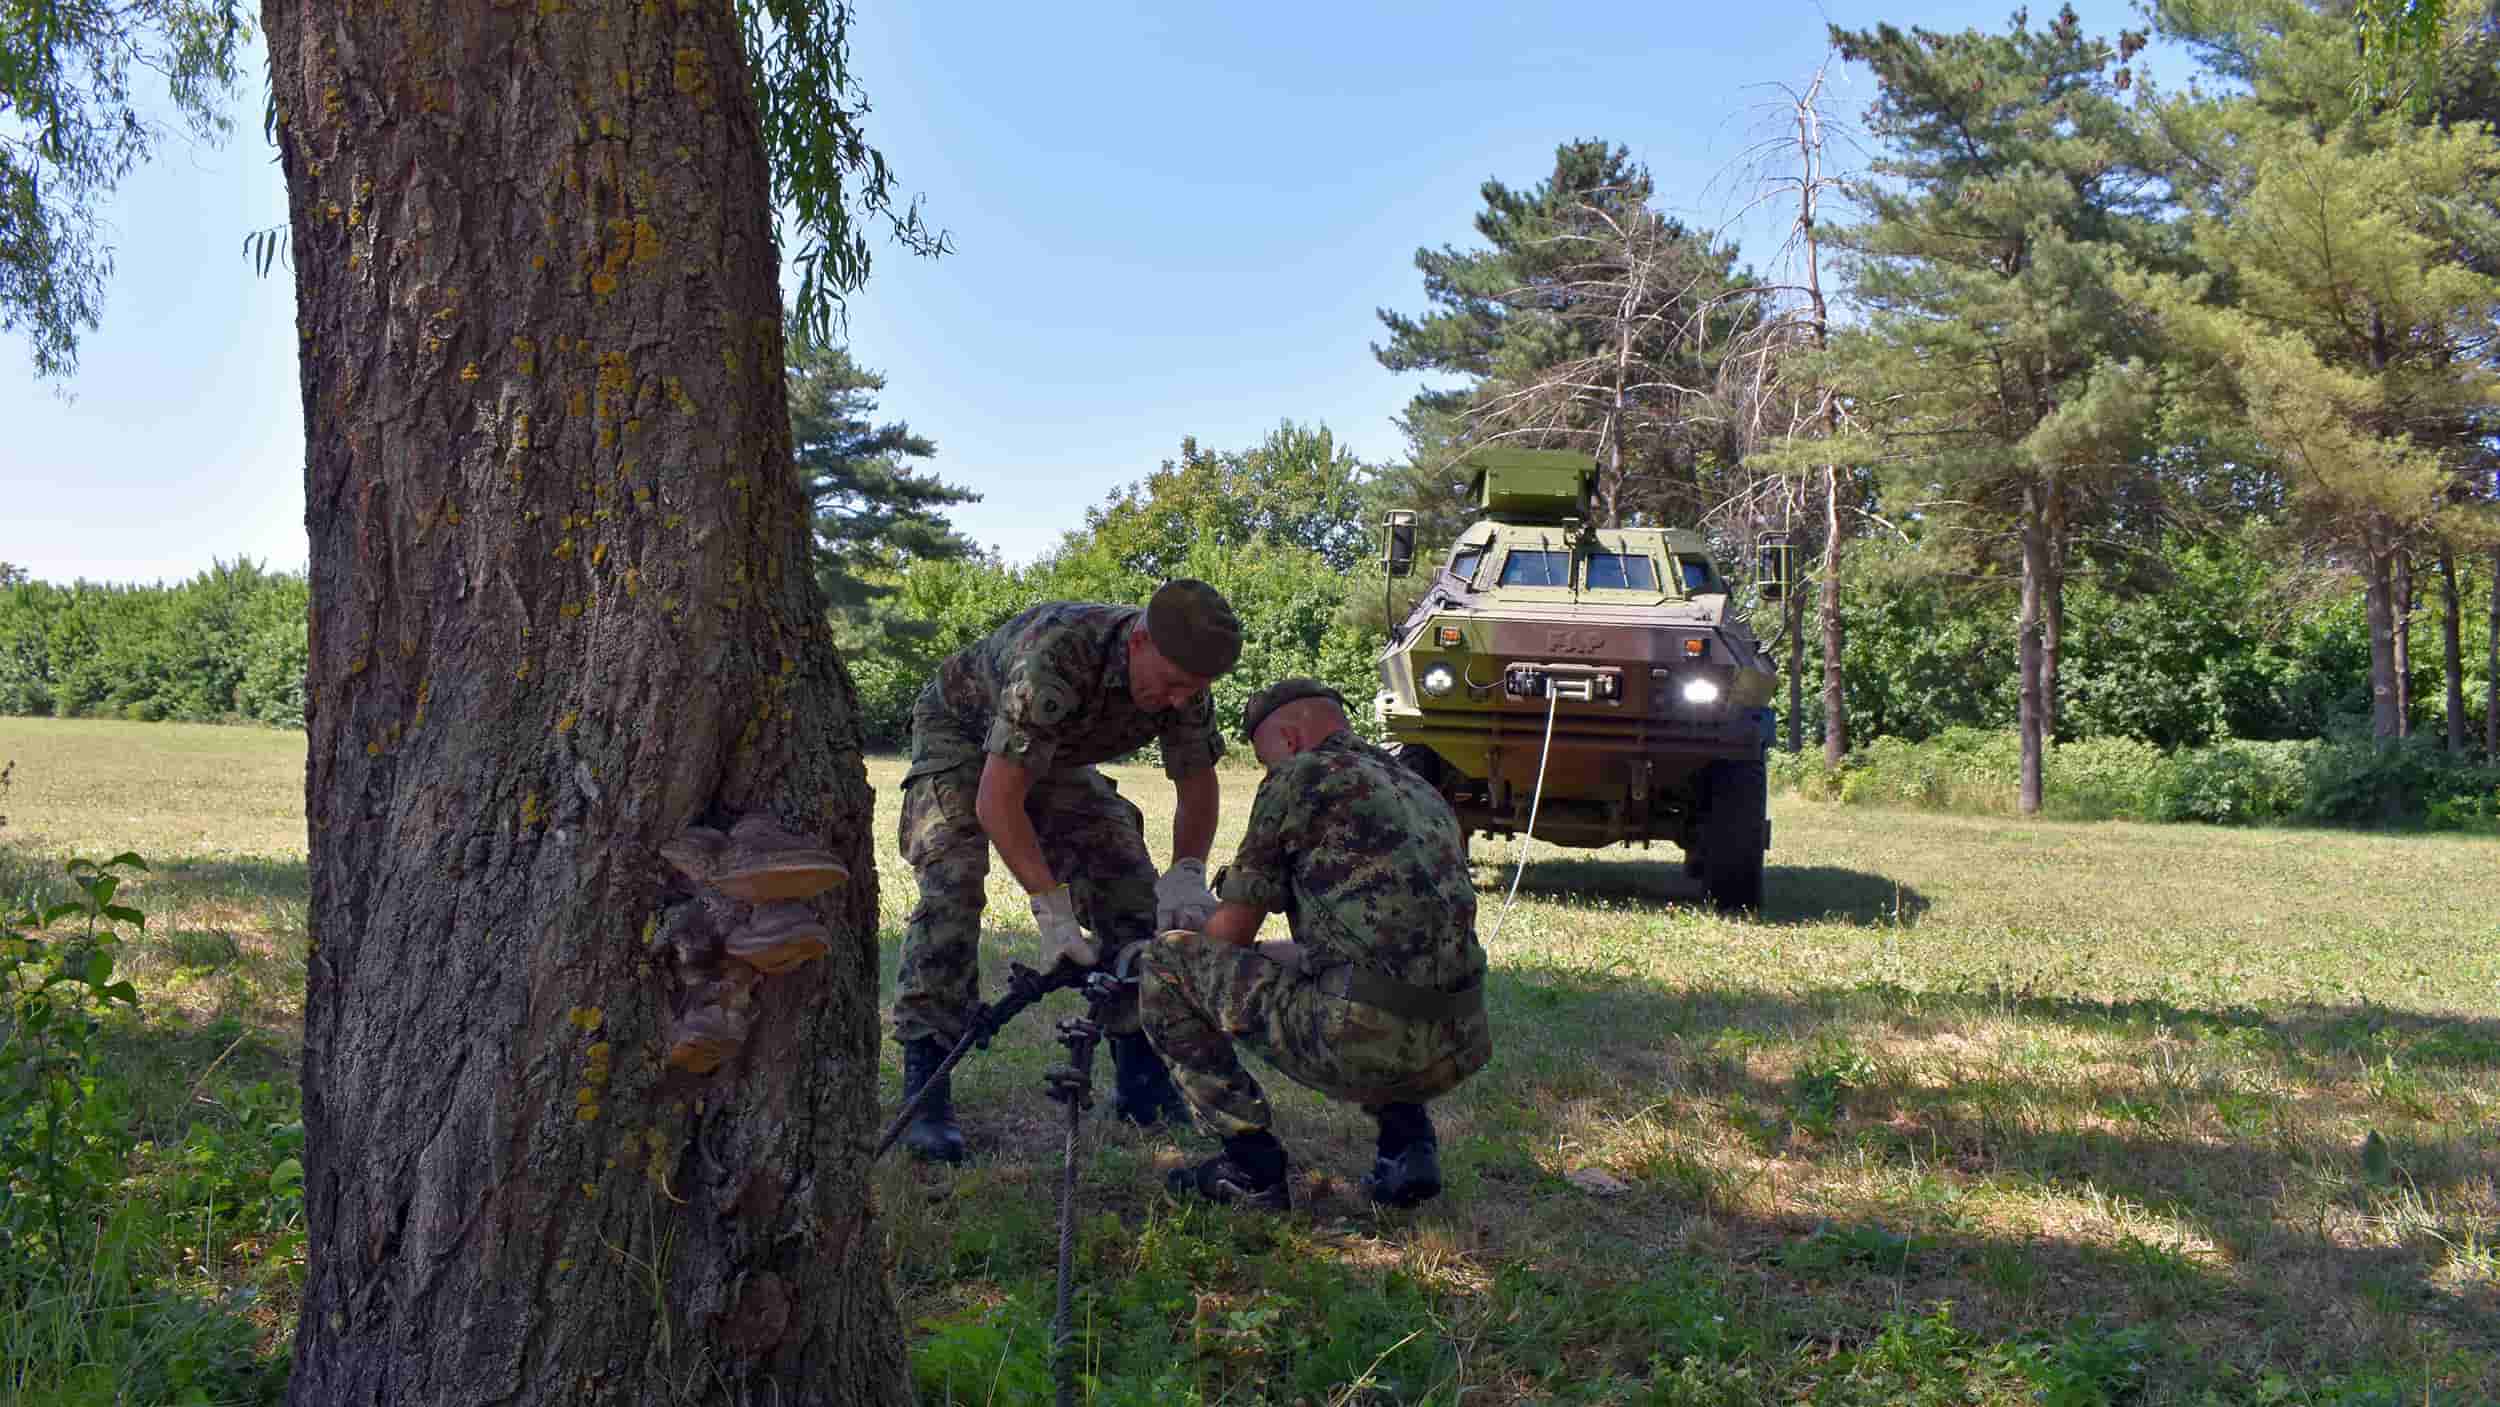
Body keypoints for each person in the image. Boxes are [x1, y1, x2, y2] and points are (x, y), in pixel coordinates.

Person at [892, 579, 1241, 1164]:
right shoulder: (1055, 655)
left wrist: (1186, 870)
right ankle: (927, 1084)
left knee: (1129, 886)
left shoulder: (1186, 680)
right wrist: (1050, 910)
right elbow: (995, 802)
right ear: (1139, 642)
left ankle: (1141, 1078)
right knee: (951, 886)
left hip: (1052, 755)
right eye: (1175, 684)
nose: (1183, 700)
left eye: (1196, 690)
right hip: (963, 736)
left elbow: (1197, 784)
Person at [1135, 677, 1493, 1211]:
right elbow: (1387, 937)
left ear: (1290, 738)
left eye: (1264, 759)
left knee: (1166, 963)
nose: (1266, 771)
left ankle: (1249, 1165)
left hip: (1367, 1044)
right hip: (1458, 1041)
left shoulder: (1298, 778)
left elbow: (1229, 936)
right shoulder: (1417, 786)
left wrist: (1183, 935)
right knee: (1373, 980)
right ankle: (1407, 1143)